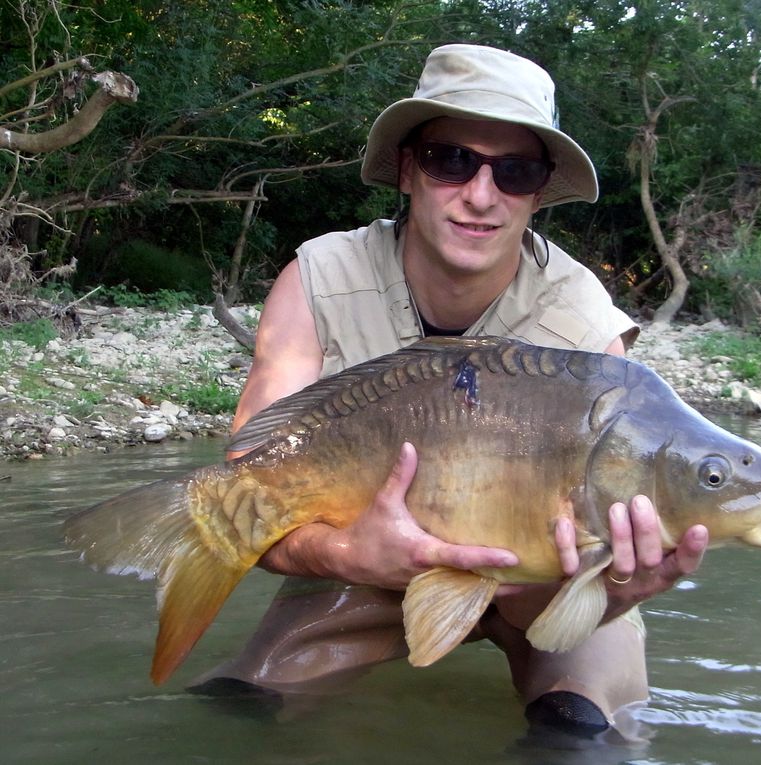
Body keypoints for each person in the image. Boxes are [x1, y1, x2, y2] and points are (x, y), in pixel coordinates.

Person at [191, 44, 708, 740]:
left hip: (549, 582)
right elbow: (244, 486)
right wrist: (350, 556)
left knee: (584, 729)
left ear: (538, 188)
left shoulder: (583, 318)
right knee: (237, 711)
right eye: (451, 160)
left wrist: (612, 583)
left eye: (515, 170)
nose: (481, 194)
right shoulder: (317, 280)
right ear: (407, 168)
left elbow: (551, 602)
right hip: (365, 567)